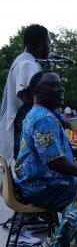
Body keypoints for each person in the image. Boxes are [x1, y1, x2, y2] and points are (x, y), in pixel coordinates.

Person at [14, 71, 77, 212]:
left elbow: (55, 156)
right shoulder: (44, 119)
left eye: (61, 84)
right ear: (36, 91)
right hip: (42, 188)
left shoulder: (40, 114)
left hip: (39, 185)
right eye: (54, 85)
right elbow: (55, 163)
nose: (61, 89)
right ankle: (75, 232)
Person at [0, 24, 50, 164]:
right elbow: (29, 100)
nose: (49, 47)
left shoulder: (21, 60)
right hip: (20, 133)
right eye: (48, 43)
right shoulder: (28, 64)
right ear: (40, 44)